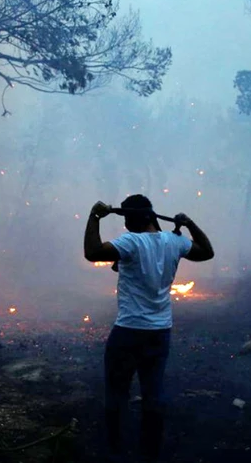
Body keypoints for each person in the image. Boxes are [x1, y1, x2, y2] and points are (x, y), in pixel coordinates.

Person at [83, 194, 215, 462]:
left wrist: (94, 216)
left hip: (129, 330)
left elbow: (92, 252)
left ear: (132, 220)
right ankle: (150, 452)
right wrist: (189, 223)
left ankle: (115, 449)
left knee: (116, 391)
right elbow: (207, 252)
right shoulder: (174, 241)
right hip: (160, 331)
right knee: (153, 392)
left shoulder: (131, 241)